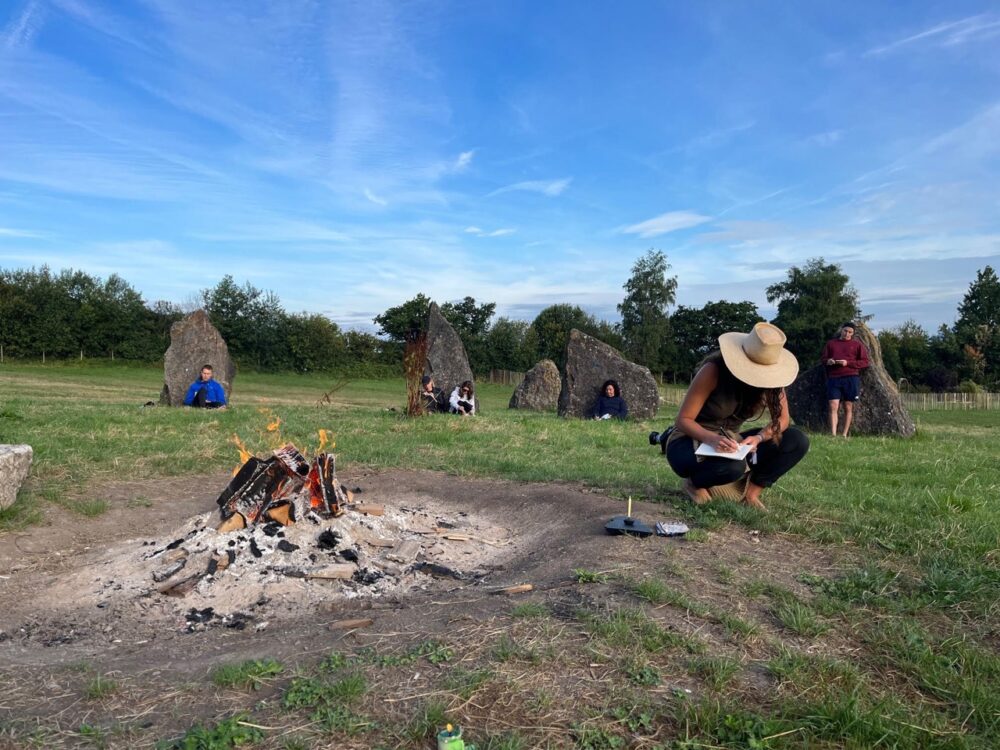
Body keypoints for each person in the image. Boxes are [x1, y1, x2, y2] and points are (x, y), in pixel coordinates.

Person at [665, 322, 809, 511]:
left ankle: (751, 494)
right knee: (733, 467)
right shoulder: (713, 370)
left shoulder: (773, 382)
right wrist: (712, 439)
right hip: (690, 439)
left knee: (796, 440)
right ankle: (694, 483)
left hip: (731, 440)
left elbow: (782, 420)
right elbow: (683, 420)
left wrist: (759, 438)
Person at [821, 322, 870, 438]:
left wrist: (848, 363)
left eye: (850, 332)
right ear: (841, 330)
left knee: (848, 406)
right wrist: (829, 361)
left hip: (851, 378)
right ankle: (833, 434)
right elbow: (823, 359)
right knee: (833, 405)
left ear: (853, 333)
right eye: (845, 331)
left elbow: (865, 362)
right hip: (834, 377)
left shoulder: (857, 345)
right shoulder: (831, 344)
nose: (847, 334)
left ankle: (844, 434)